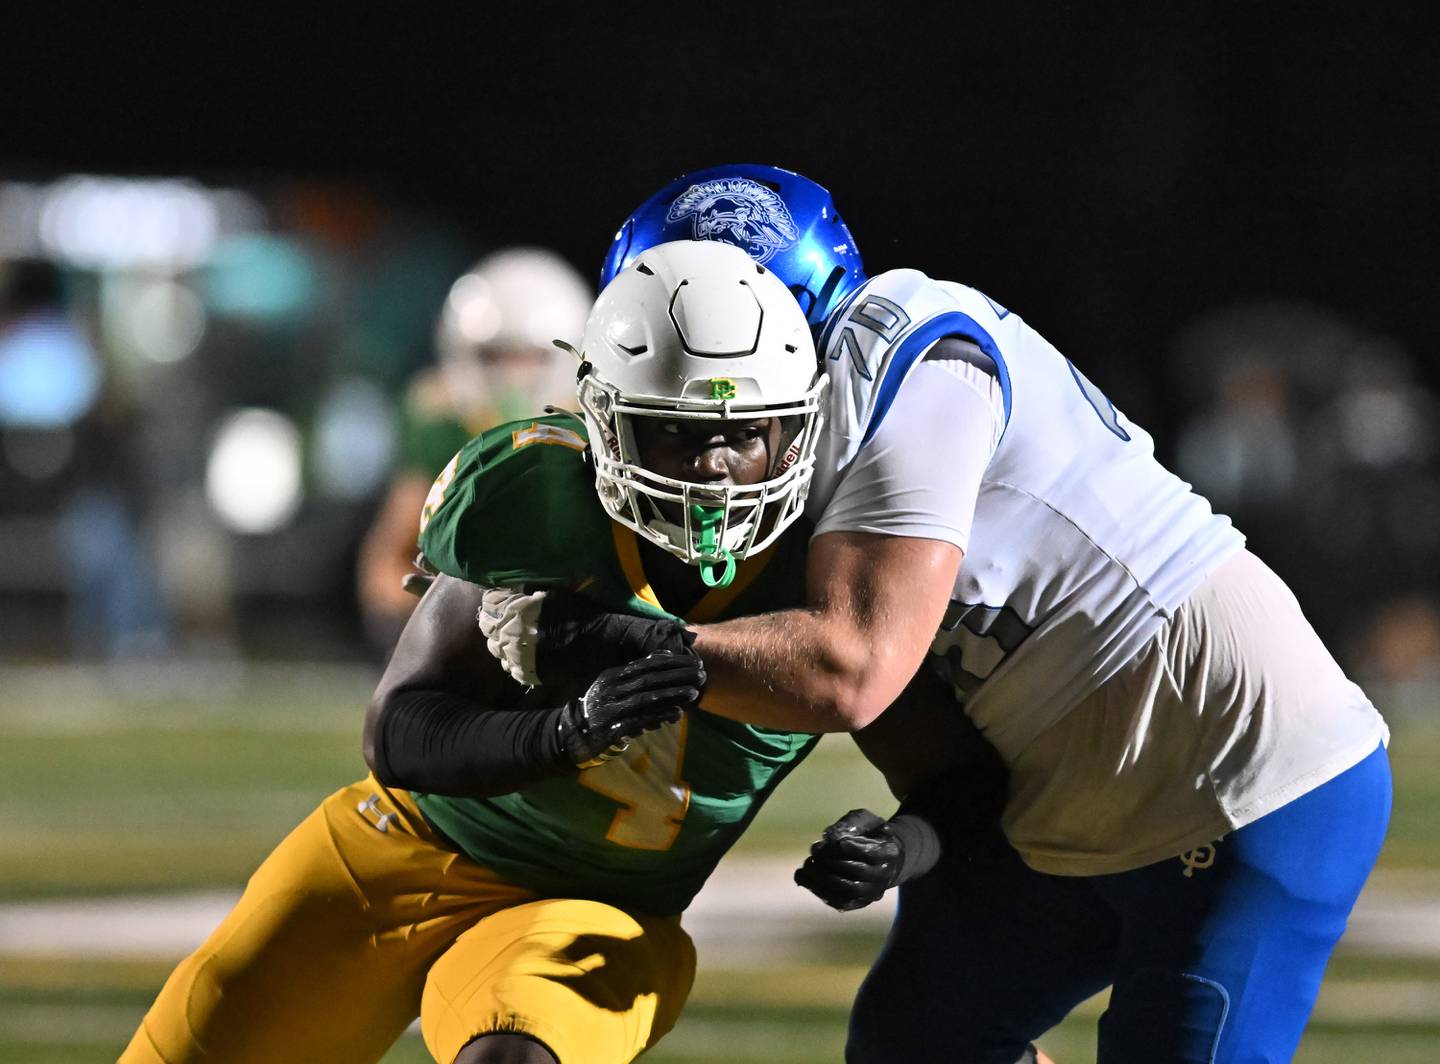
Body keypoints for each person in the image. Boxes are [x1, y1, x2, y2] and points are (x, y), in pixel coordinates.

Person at [477, 164, 1393, 1063]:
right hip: (1057, 793)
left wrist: (602, 641)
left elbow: (849, 669)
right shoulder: (783, 444)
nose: (703, 440)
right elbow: (927, 728)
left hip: (1232, 773)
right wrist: (912, 839)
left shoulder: (920, 364)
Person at [122, 239, 930, 1064]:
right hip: (409, 844)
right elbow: (399, 729)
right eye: (673, 434)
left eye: (742, 433)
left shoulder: (841, 575)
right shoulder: (545, 501)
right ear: (606, 420)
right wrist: (561, 736)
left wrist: (907, 842)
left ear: (797, 429)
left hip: (600, 908)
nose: (713, 471)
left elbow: (953, 769)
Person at [357, 247, 591, 654]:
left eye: (530, 357)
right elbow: (382, 570)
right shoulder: (441, 419)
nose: (512, 375)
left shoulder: (595, 428)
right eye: (495, 355)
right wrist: (446, 610)